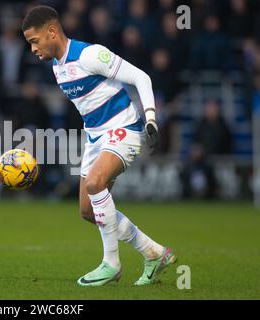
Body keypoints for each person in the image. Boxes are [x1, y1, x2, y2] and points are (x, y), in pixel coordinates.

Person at [22, 5, 176, 287]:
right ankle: (154, 252)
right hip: (95, 138)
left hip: (124, 129)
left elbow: (142, 77)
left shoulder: (90, 54)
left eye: (34, 41)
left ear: (52, 32)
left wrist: (151, 118)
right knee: (87, 211)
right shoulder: (58, 67)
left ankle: (112, 264)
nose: (32, 49)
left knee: (95, 183)